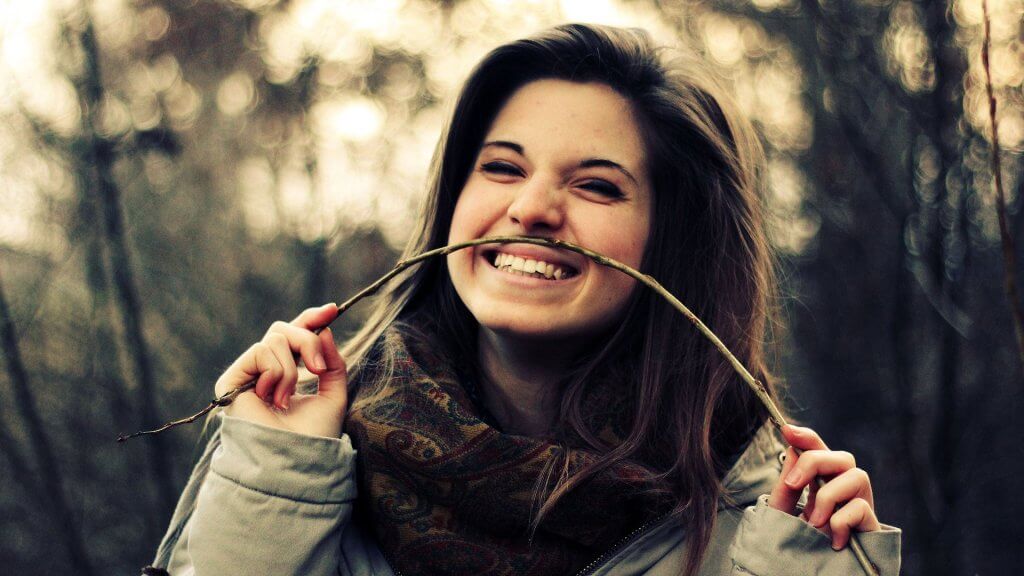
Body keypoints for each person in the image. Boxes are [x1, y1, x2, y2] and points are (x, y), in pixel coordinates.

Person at [148, 23, 900, 576]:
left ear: (675, 244)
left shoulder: (771, 523)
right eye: (503, 168)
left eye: (597, 185)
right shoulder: (306, 452)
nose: (533, 208)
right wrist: (273, 477)